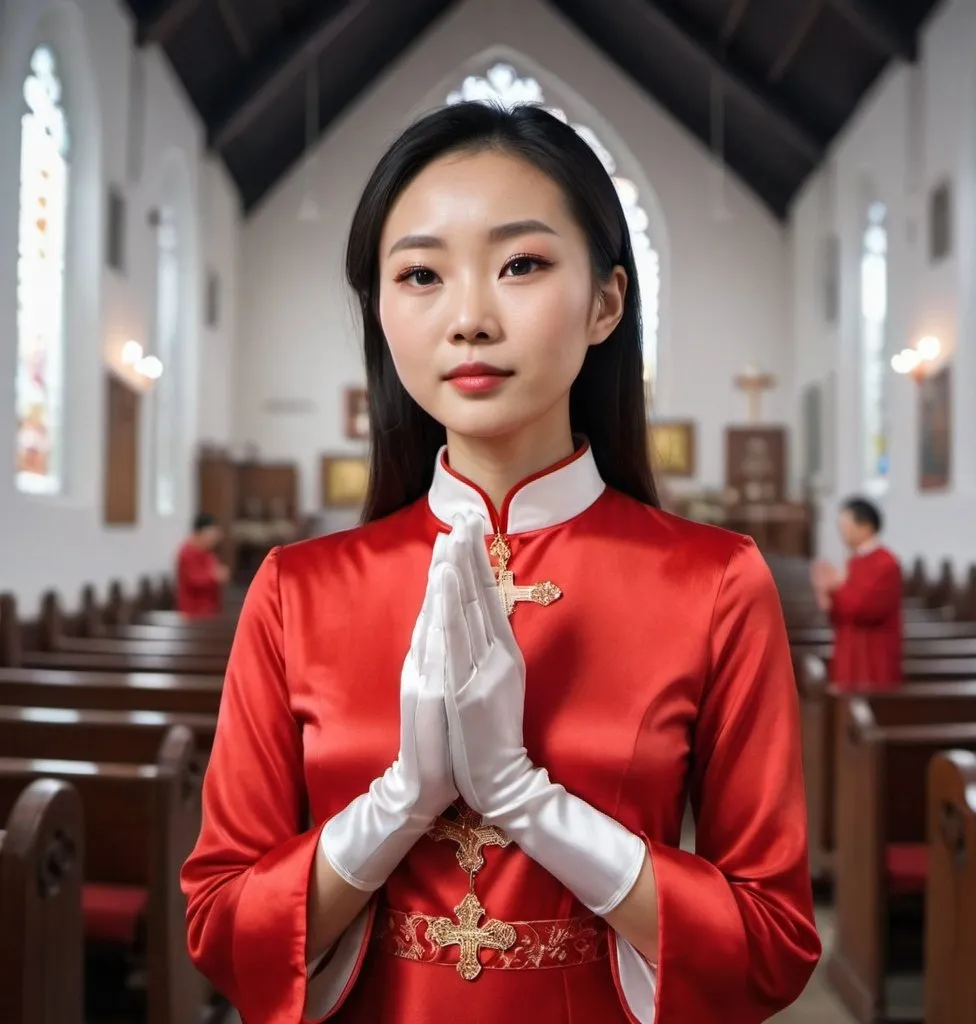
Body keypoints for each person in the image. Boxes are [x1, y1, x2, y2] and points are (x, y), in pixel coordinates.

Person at [180, 104, 820, 1023]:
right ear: (382, 312)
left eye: (521, 264)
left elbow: (770, 942)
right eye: (421, 274)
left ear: (606, 300)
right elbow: (220, 925)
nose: (470, 318)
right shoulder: (296, 590)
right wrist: (400, 802)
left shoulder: (715, 582)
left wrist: (530, 802)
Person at [811, 496, 903, 690]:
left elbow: (863, 608)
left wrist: (835, 585)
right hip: (849, 647)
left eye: (846, 525)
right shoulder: (854, 561)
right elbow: (840, 614)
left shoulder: (885, 563)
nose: (842, 532)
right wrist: (826, 594)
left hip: (872, 655)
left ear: (866, 526)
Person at [175, 513, 229, 618]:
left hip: (210, 611)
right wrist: (215, 576)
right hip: (192, 613)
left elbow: (216, 570)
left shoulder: (208, 553)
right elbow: (195, 579)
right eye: (211, 533)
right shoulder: (186, 553)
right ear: (201, 532)